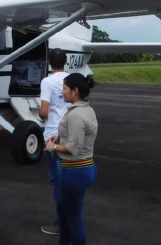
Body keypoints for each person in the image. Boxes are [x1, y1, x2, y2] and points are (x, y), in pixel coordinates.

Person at [43, 73, 98, 245]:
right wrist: (58, 138)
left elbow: (74, 148)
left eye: (64, 88)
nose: (62, 91)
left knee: (73, 219)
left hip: (75, 171)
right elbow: (79, 136)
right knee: (66, 216)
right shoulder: (86, 109)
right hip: (85, 168)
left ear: (74, 91)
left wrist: (53, 147)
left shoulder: (74, 116)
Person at [38, 48, 70, 235]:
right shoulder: (72, 79)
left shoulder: (47, 81)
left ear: (49, 62)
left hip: (52, 135)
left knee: (58, 182)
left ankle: (62, 223)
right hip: (69, 133)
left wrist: (40, 115)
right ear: (65, 62)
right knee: (68, 178)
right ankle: (70, 218)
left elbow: (44, 111)